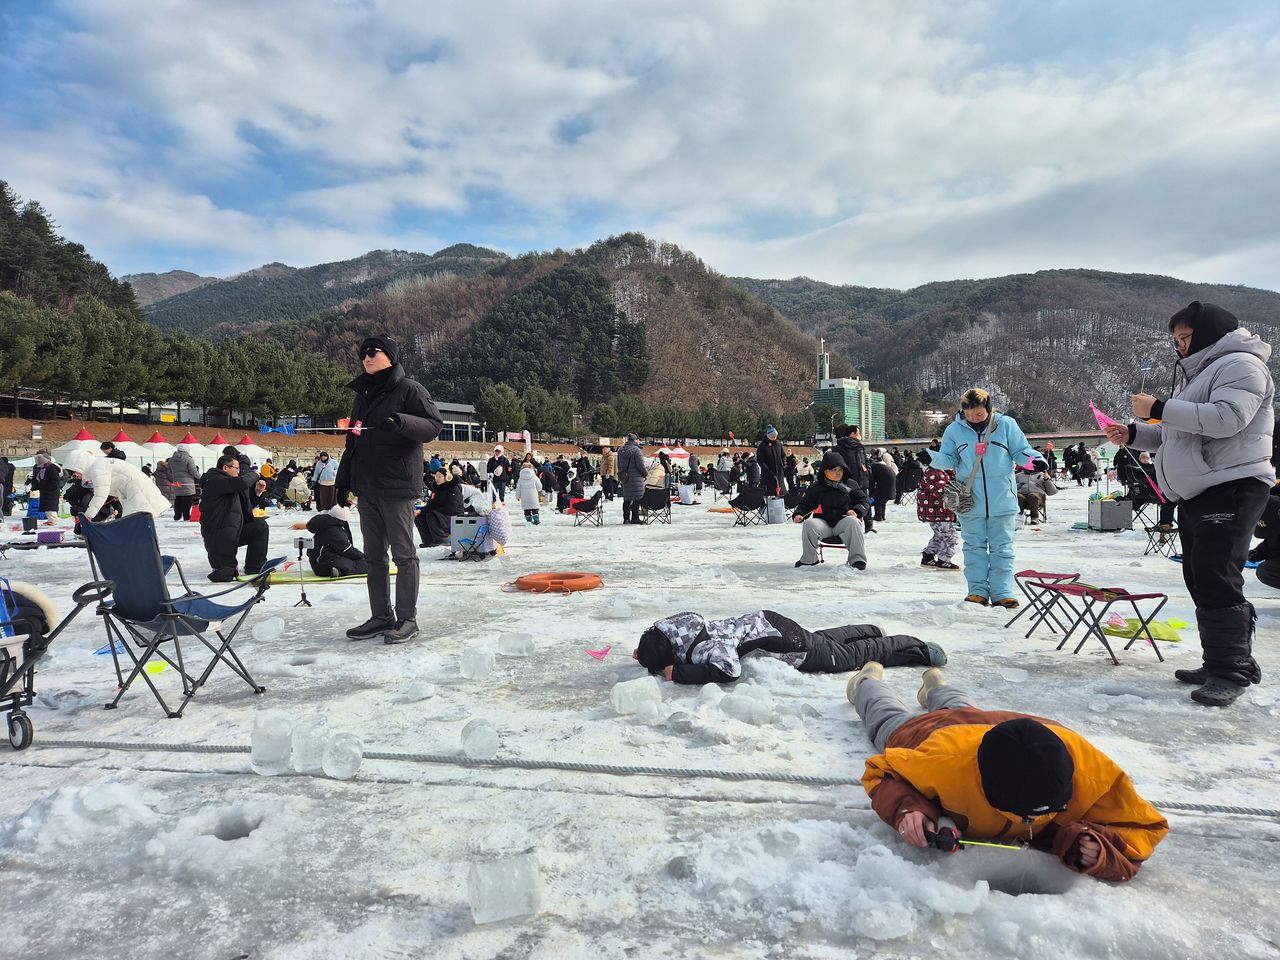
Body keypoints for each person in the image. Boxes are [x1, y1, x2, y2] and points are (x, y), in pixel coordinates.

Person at [847, 664, 1169, 882]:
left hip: (1003, 722)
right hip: (931, 732)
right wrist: (908, 809)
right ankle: (867, 682)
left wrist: (1102, 848)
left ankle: (936, 687)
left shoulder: (1093, 774)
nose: (1027, 825)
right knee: (885, 717)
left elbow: (1145, 828)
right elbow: (881, 772)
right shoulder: (941, 760)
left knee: (962, 705)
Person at [1103, 301, 1275, 706]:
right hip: (1199, 488)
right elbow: (1175, 436)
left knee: (1217, 573)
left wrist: (1160, 408)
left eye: (1185, 337)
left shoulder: (1241, 364)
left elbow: (1227, 419)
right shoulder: (1200, 374)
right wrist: (1133, 433)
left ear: (1208, 334)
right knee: (1199, 575)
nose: (1179, 346)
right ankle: (1222, 659)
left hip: (1232, 484)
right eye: (1176, 339)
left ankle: (1231, 669)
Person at [336, 333, 443, 645]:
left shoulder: (409, 389)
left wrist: (401, 422)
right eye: (363, 352)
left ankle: (407, 618)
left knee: (404, 554)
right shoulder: (363, 394)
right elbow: (352, 442)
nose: (367, 357)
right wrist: (344, 481)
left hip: (397, 486)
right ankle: (381, 615)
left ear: (391, 356)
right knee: (373, 556)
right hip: (367, 487)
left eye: (374, 351)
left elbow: (433, 424)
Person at [928, 388, 1045, 608]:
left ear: (989, 409)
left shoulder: (1006, 425)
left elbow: (1021, 450)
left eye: (979, 415)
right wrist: (932, 457)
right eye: (969, 415)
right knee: (973, 547)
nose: (973, 419)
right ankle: (977, 591)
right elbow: (948, 459)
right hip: (970, 500)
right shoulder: (954, 430)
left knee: (1003, 548)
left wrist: (1034, 461)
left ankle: (1002, 592)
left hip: (1002, 498)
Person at [633, 610, 946, 684]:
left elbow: (729, 670)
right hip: (766, 620)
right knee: (821, 639)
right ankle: (869, 629)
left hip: (785, 643)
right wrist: (646, 650)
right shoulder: (681, 625)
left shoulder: (705, 650)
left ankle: (917, 648)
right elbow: (661, 634)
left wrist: (681, 673)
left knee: (842, 657)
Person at [196, 451, 269, 582]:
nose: (238, 472)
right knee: (226, 572)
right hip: (218, 534)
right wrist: (255, 474)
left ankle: (255, 566)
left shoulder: (229, 485)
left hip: (232, 531)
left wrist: (257, 493)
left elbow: (245, 509)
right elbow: (242, 482)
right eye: (236, 468)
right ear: (225, 468)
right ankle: (225, 567)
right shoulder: (214, 481)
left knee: (260, 527)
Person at [792, 450, 870, 570]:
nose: (838, 473)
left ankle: (857, 560)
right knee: (809, 523)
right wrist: (799, 514)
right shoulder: (816, 488)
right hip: (824, 525)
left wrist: (856, 511)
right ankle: (809, 559)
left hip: (843, 523)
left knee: (853, 521)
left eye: (840, 470)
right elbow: (805, 505)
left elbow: (864, 501)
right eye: (834, 470)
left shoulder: (850, 484)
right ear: (825, 471)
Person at [63, 449, 169, 521]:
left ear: (80, 465)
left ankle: (141, 549)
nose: (74, 475)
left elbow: (100, 495)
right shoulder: (98, 466)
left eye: (73, 472)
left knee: (137, 521)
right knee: (134, 523)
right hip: (133, 491)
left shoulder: (98, 468)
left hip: (138, 492)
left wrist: (89, 515)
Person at [917, 443, 960, 571]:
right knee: (950, 536)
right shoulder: (935, 472)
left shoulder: (938, 470)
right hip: (937, 511)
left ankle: (928, 556)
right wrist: (959, 501)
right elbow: (941, 492)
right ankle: (944, 560)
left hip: (937, 511)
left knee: (940, 535)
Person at [306, 505, 368, 578]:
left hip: (320, 561)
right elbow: (346, 550)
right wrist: (363, 557)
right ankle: (340, 570)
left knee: (352, 562)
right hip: (323, 564)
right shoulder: (334, 530)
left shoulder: (327, 524)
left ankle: (338, 570)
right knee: (362, 564)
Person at [835, 424, 875, 532]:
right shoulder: (839, 448)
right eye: (859, 433)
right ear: (853, 433)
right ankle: (848, 528)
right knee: (848, 504)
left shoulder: (860, 447)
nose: (860, 435)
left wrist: (868, 474)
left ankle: (869, 526)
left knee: (865, 501)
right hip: (848, 482)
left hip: (862, 480)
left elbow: (865, 463)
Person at [415, 466, 464, 546]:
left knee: (431, 515)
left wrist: (433, 512)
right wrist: (420, 511)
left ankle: (441, 540)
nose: (437, 478)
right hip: (441, 514)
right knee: (419, 517)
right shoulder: (436, 489)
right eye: (436, 476)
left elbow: (451, 508)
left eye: (440, 476)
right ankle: (428, 541)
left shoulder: (453, 489)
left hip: (454, 516)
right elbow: (430, 505)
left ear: (447, 477)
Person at [617, 433, 646, 524]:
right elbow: (640, 465)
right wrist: (645, 473)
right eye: (638, 440)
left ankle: (626, 518)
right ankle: (635, 518)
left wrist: (622, 474)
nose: (639, 441)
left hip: (625, 478)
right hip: (636, 478)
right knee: (637, 498)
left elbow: (619, 465)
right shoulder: (637, 451)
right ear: (635, 440)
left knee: (627, 499)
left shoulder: (621, 450)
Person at [168, 446, 201, 521]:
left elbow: (169, 471)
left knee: (178, 498)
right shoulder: (188, 459)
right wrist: (200, 477)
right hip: (187, 482)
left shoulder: (171, 459)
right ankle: (186, 516)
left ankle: (177, 516)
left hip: (177, 482)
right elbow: (193, 471)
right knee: (187, 499)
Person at [755, 425, 788, 495]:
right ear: (768, 436)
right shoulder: (762, 446)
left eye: (775, 436)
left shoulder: (778, 444)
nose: (774, 438)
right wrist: (766, 469)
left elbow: (783, 455)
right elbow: (760, 460)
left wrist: (783, 463)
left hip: (779, 473)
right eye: (773, 436)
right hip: (768, 474)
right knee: (769, 492)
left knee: (781, 492)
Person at [28, 452, 62, 516]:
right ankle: (50, 520)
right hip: (46, 491)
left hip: (51, 491)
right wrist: (36, 487)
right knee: (47, 507)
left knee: (51, 507)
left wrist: (47, 487)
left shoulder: (52, 469)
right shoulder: (44, 470)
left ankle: (53, 520)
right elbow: (42, 481)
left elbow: (54, 481)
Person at [869, 451, 897, 522]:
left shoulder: (870, 467)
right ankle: (882, 515)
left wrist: (871, 494)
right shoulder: (877, 465)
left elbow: (871, 482)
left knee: (878, 498)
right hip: (891, 477)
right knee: (883, 498)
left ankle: (878, 516)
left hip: (885, 479)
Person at [515, 459, 542, 524]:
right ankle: (536, 521)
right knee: (535, 509)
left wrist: (518, 496)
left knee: (526, 509)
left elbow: (518, 488)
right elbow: (539, 487)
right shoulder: (534, 477)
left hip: (524, 497)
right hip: (533, 496)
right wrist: (539, 490)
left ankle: (529, 521)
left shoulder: (520, 478)